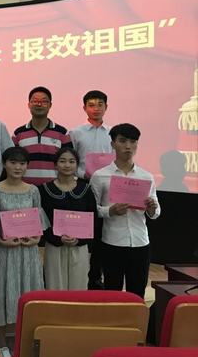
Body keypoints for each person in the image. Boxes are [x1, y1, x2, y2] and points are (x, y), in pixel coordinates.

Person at [0, 146, 47, 356]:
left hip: (28, 252)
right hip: (4, 251)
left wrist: (36, 238)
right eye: (13, 162)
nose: (17, 167)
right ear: (4, 164)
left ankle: (26, 342)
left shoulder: (33, 190)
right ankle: (2, 343)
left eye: (22, 163)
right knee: (1, 292)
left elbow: (38, 219)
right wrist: (0, 241)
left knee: (29, 293)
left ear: (27, 166)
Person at [90, 124, 160, 298]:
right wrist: (110, 211)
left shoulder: (146, 176)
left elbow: (156, 212)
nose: (128, 146)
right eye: (122, 141)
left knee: (137, 292)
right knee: (112, 291)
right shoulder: (100, 176)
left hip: (140, 242)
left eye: (133, 142)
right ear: (113, 144)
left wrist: (152, 208)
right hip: (112, 241)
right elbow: (91, 210)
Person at [68, 90, 112, 290]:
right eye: (91, 105)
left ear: (106, 107)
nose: (96, 108)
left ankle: (95, 276)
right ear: (84, 108)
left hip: (106, 187)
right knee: (81, 229)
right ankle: (77, 274)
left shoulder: (112, 134)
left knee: (101, 232)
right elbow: (71, 159)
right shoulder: (75, 133)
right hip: (83, 185)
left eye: (100, 104)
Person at [39, 148, 98, 290]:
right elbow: (41, 221)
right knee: (54, 286)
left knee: (79, 287)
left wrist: (80, 240)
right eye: (62, 161)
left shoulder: (86, 190)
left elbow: (93, 219)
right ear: (55, 165)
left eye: (72, 161)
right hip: (54, 247)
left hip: (79, 246)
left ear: (77, 165)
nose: (67, 165)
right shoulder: (44, 190)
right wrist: (56, 238)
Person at [13, 86, 72, 185]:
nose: (39, 104)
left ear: (50, 105)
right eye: (35, 101)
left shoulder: (62, 133)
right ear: (29, 105)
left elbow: (68, 163)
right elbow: (13, 164)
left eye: (44, 101)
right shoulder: (18, 134)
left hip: (54, 189)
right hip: (25, 189)